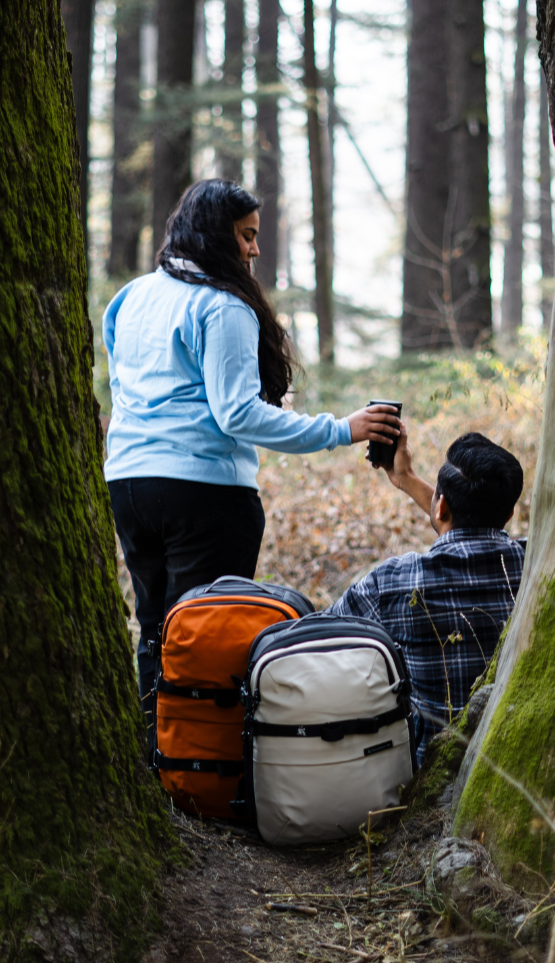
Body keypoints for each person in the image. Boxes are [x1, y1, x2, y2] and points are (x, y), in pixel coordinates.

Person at [103, 179, 400, 712]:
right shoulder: (222, 306)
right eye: (245, 235)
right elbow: (237, 413)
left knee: (155, 629)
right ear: (214, 235)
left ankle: (155, 744)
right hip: (205, 494)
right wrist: (341, 429)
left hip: (128, 486)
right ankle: (198, 756)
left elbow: (122, 386)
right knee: (206, 632)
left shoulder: (132, 296)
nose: (255, 249)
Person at [325, 427, 526, 763]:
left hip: (432, 772)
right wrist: (406, 479)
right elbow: (470, 521)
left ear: (441, 506)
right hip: (521, 759)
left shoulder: (393, 581)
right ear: (508, 515)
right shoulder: (535, 564)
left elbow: (322, 633)